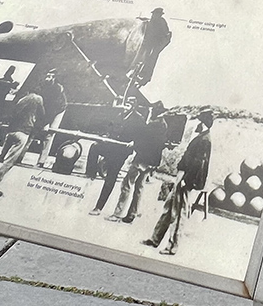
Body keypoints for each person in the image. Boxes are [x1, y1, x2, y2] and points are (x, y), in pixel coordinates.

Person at [142, 109, 212, 255]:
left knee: (178, 213)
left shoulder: (204, 140)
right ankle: (155, 239)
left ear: (204, 123)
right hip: (182, 176)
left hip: (187, 179)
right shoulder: (201, 137)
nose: (196, 124)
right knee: (168, 208)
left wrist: (187, 181)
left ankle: (173, 246)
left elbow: (199, 165)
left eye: (199, 121)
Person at [113, 103, 168, 223]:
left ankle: (118, 213)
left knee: (127, 184)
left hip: (142, 160)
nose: (150, 111)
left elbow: (145, 139)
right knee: (139, 187)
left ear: (155, 111)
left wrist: (135, 144)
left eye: (151, 109)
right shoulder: (163, 125)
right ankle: (132, 213)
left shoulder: (153, 125)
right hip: (152, 162)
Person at [87, 106, 146, 215]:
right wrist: (106, 135)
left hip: (121, 151)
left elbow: (143, 134)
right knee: (94, 147)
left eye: (129, 104)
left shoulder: (138, 118)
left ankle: (98, 208)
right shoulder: (120, 114)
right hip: (111, 145)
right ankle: (91, 173)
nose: (126, 106)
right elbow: (110, 126)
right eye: (126, 102)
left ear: (133, 106)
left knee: (111, 176)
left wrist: (135, 142)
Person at [0, 89, 45, 197]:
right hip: (23, 132)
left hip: (11, 131)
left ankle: (1, 156)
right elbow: (42, 115)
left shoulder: (21, 100)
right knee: (8, 163)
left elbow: (12, 113)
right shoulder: (38, 99)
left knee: (2, 157)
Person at [128, 8, 172, 88]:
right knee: (141, 56)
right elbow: (147, 20)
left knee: (150, 59)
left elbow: (166, 33)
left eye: (157, 14)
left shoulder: (161, 22)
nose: (155, 16)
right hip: (148, 43)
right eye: (154, 14)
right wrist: (140, 19)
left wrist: (160, 43)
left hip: (155, 44)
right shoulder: (151, 21)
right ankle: (134, 71)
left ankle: (143, 76)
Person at [36, 68, 68, 166]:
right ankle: (20, 156)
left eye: (50, 76)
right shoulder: (44, 86)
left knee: (49, 134)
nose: (47, 78)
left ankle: (41, 161)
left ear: (54, 78)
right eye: (47, 75)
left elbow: (52, 108)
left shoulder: (57, 88)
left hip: (58, 110)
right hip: (48, 108)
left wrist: (46, 123)